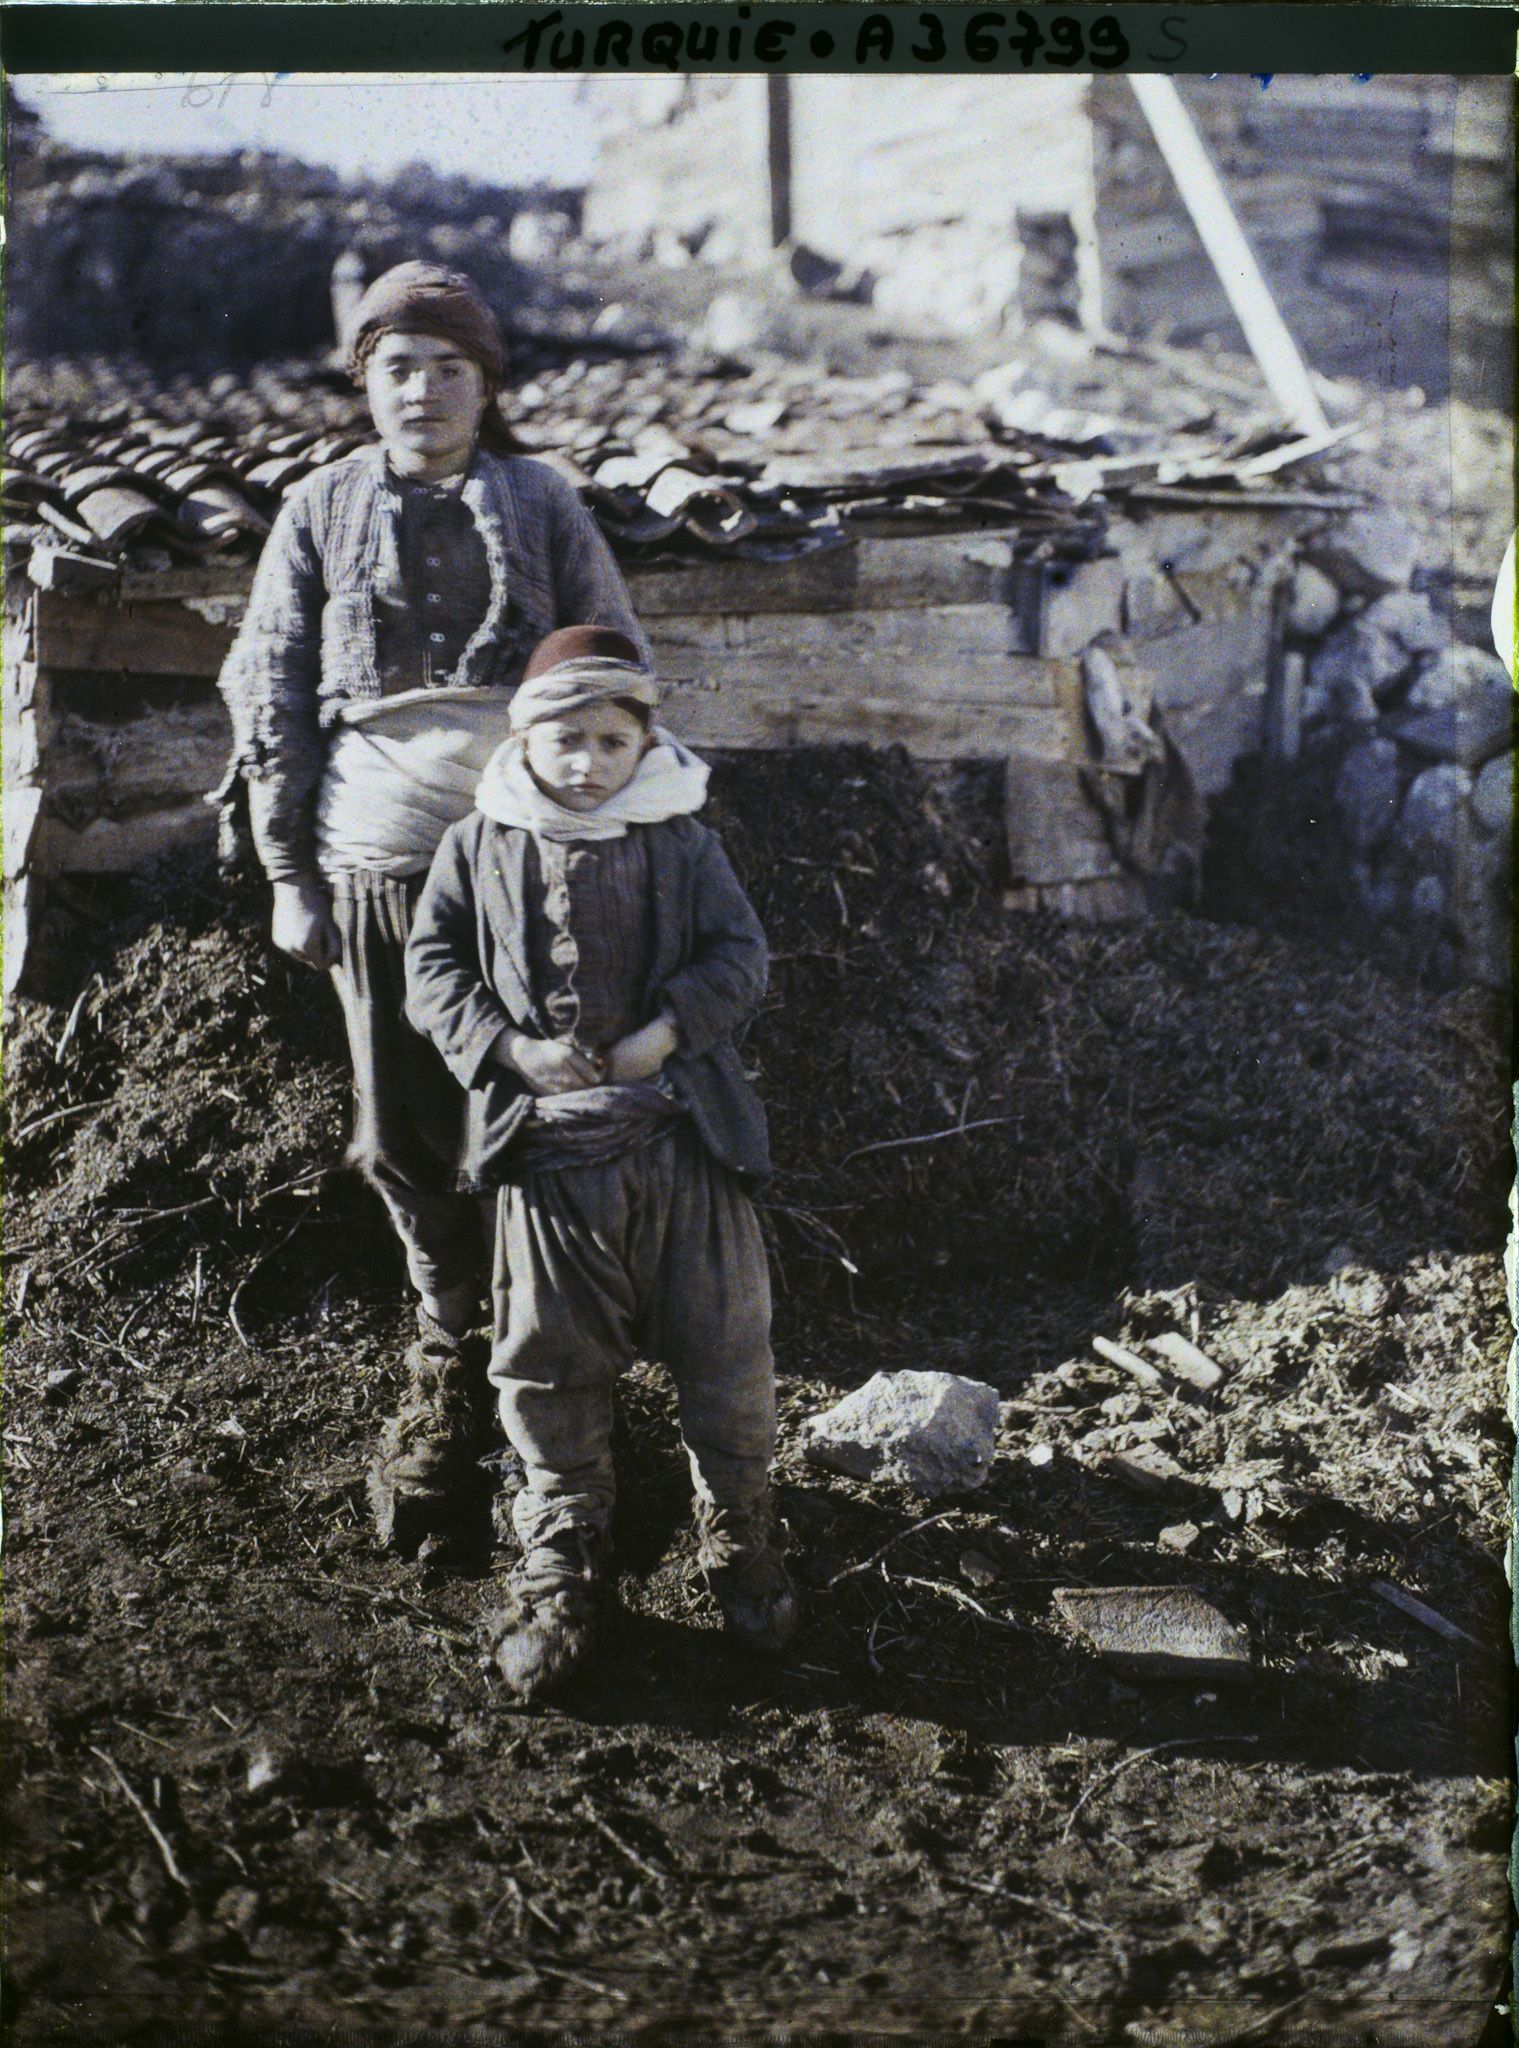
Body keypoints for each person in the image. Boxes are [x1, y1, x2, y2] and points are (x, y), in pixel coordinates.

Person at [215, 262, 648, 1557]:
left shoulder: (540, 500)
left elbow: (616, 661)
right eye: (397, 368)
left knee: (542, 1123)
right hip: (378, 867)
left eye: (449, 368)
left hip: (531, 872)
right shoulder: (317, 509)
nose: (423, 391)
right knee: (408, 1132)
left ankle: (559, 1402)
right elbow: (270, 692)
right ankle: (444, 1365)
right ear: (366, 384)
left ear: (486, 385)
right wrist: (291, 876)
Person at [403, 625, 796, 1700]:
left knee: (725, 1342)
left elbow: (740, 955)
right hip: (548, 1153)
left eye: (611, 741)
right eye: (565, 738)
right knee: (547, 1356)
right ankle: (565, 1558)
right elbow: (431, 968)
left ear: (642, 744)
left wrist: (665, 1033)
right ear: (524, 739)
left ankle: (738, 1531)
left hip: (678, 1136)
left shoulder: (679, 839)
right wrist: (512, 1050)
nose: (586, 763)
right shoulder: (478, 846)